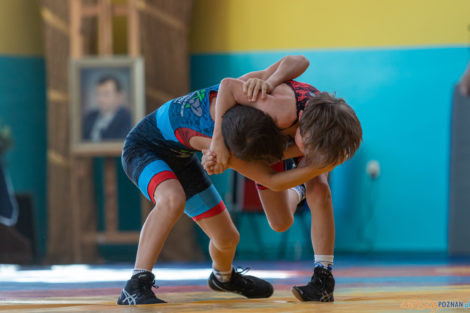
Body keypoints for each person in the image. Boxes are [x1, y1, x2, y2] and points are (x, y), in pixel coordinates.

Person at [117, 55, 333, 305]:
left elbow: (297, 62)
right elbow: (272, 181)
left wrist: (272, 81)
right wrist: (323, 160)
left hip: (185, 153)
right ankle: (136, 283)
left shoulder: (254, 92)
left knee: (229, 238)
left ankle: (223, 277)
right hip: (144, 148)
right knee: (172, 198)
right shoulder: (216, 138)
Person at [203, 61, 362, 302]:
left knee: (320, 189)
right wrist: (217, 142)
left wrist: (314, 162)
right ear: (304, 126)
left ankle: (323, 277)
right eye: (309, 149)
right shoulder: (278, 106)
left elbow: (301, 63)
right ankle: (298, 189)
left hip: (283, 139)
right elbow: (227, 86)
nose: (310, 156)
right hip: (261, 143)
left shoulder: (323, 125)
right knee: (280, 222)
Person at [82, 76, 132, 141]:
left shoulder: (128, 119)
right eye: (98, 94)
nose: (100, 99)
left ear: (120, 96)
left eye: (106, 94)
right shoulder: (90, 117)